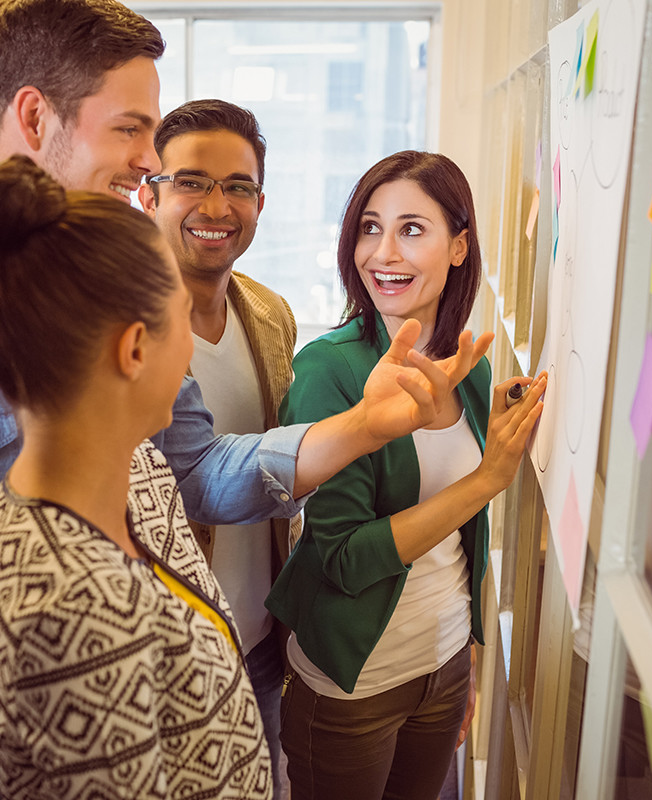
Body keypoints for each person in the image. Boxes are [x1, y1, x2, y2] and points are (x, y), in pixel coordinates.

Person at [0, 2, 474, 796]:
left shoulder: (121, 283)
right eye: (131, 129)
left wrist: (363, 425)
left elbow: (194, 474)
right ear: (35, 116)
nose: (150, 160)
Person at [0, 155, 271, 800]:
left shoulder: (139, 465)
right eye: (178, 322)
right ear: (134, 350)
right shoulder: (65, 603)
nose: (190, 345)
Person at [265, 151, 547, 800]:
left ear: (459, 246)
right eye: (369, 227)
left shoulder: (467, 366)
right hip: (353, 683)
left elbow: (459, 541)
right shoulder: (327, 371)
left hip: (443, 665)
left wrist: (467, 654)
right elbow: (341, 558)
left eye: (412, 229)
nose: (382, 252)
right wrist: (485, 479)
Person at [140, 98, 295, 793]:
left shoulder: (269, 312)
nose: (217, 205)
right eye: (192, 181)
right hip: (170, 650)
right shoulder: (124, 325)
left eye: (238, 187)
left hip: (262, 642)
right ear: (149, 193)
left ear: (260, 202)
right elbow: (195, 480)